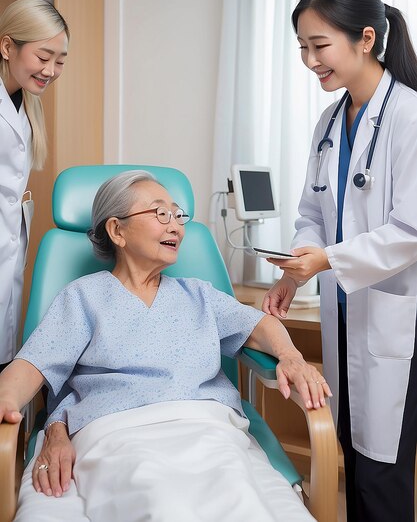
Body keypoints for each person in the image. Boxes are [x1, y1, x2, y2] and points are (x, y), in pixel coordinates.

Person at [1, 170, 330, 522]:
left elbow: (260, 325)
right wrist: (6, 399)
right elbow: (32, 365)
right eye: (161, 214)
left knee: (235, 493)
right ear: (117, 231)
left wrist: (291, 357)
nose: (176, 226)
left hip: (209, 430)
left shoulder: (198, 294)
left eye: (178, 215)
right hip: (118, 436)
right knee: (155, 496)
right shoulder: (83, 297)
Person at [262, 0, 417, 522]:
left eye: (320, 45)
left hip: (395, 323)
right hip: (344, 317)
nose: (309, 60)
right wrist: (293, 273)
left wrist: (326, 260)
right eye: (302, 46)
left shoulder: (408, 116)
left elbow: (411, 231)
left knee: (383, 476)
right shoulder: (330, 122)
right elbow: (312, 214)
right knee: (353, 461)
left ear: (367, 38)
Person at [0, 0, 69, 370]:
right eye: (43, 57)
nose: (51, 70)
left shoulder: (25, 104)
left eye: (60, 60)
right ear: (8, 46)